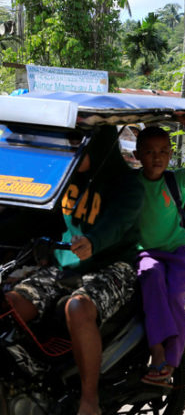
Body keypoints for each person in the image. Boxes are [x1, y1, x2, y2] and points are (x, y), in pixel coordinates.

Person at [4, 126, 144, 415]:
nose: (70, 148)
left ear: (99, 145)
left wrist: (94, 241)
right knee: (11, 304)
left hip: (113, 265)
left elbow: (116, 223)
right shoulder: (62, 179)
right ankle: (28, 379)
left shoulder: (127, 183)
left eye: (76, 141)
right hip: (66, 265)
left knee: (77, 308)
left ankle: (89, 400)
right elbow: (32, 216)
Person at [133, 117, 185, 388]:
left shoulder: (176, 180)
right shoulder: (131, 183)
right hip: (145, 253)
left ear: (171, 154)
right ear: (138, 155)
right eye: (149, 152)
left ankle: (171, 362)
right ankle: (157, 352)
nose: (157, 157)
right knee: (151, 275)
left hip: (178, 252)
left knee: (175, 296)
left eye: (163, 151)